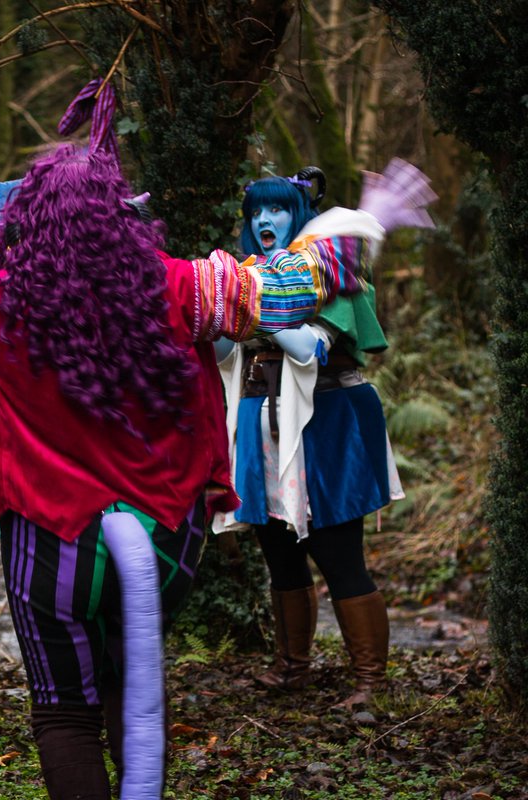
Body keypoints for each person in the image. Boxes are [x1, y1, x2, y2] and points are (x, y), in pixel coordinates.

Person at [0, 147, 433, 798]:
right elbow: (283, 285)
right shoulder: (184, 287)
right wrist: (363, 221)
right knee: (134, 684)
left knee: (66, 712)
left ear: (27, 224)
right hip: (163, 539)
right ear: (122, 217)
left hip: (53, 544)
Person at [212, 167, 425, 709]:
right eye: (256, 211)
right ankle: (292, 667)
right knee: (278, 551)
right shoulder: (246, 276)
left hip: (325, 424)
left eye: (278, 209)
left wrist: (247, 307)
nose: (265, 219)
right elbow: (224, 353)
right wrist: (213, 310)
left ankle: (370, 682)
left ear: (299, 215)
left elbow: (309, 348)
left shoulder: (332, 273)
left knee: (337, 553)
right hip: (260, 423)